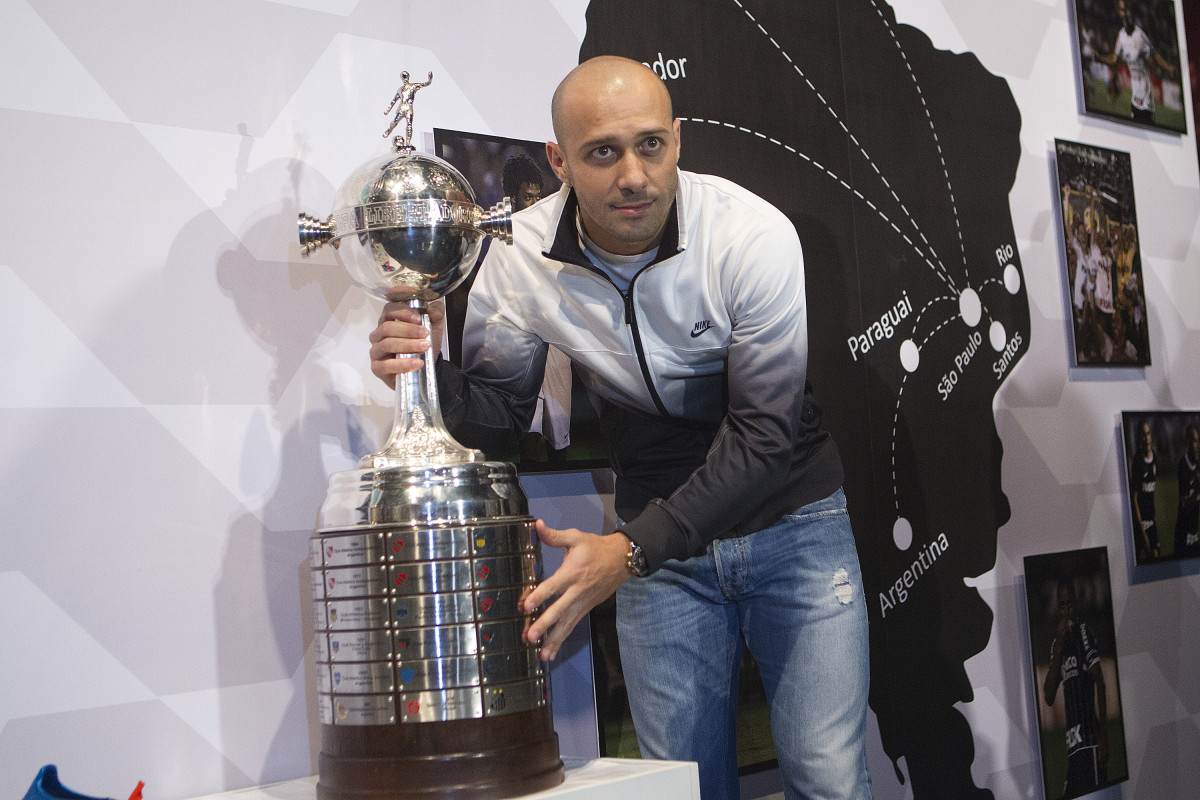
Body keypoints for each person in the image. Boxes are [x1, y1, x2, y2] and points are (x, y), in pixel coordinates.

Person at [369, 55, 872, 800]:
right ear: (559, 160)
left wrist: (629, 552)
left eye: (650, 146)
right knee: (682, 788)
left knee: (828, 781)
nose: (632, 175)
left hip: (792, 524)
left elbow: (765, 438)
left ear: (678, 141)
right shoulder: (516, 255)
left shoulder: (750, 234)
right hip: (659, 554)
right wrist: (423, 372)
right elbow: (502, 417)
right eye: (603, 152)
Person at [1043, 579, 1108, 797]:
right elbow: (1049, 697)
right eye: (1062, 606)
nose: (1067, 610)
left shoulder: (1083, 632)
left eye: (1070, 604)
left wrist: (1103, 736)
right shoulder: (1057, 645)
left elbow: (1099, 679)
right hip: (1073, 749)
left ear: (1077, 604)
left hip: (1090, 744)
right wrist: (1059, 648)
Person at [1096, 0, 1178, 125]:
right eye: (1123, 10)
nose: (1126, 13)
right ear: (1120, 13)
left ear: (1131, 13)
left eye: (1127, 10)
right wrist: (1100, 58)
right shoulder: (1121, 36)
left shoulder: (1139, 36)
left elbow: (1154, 54)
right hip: (1135, 100)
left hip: (1146, 103)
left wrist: (1168, 68)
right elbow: (1115, 58)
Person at [1128, 420, 1159, 560]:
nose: (1146, 438)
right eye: (1143, 435)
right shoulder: (1138, 462)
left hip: (1152, 521)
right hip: (1142, 525)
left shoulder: (1154, 459)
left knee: (1157, 557)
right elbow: (1134, 499)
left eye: (1148, 434)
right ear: (1140, 437)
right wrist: (1142, 532)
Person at [1174, 424, 1200, 558]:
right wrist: (1197, 488)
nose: (1197, 446)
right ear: (1188, 441)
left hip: (1195, 534)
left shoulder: (1198, 465)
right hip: (1183, 536)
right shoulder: (1183, 465)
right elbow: (1185, 506)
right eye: (1194, 441)